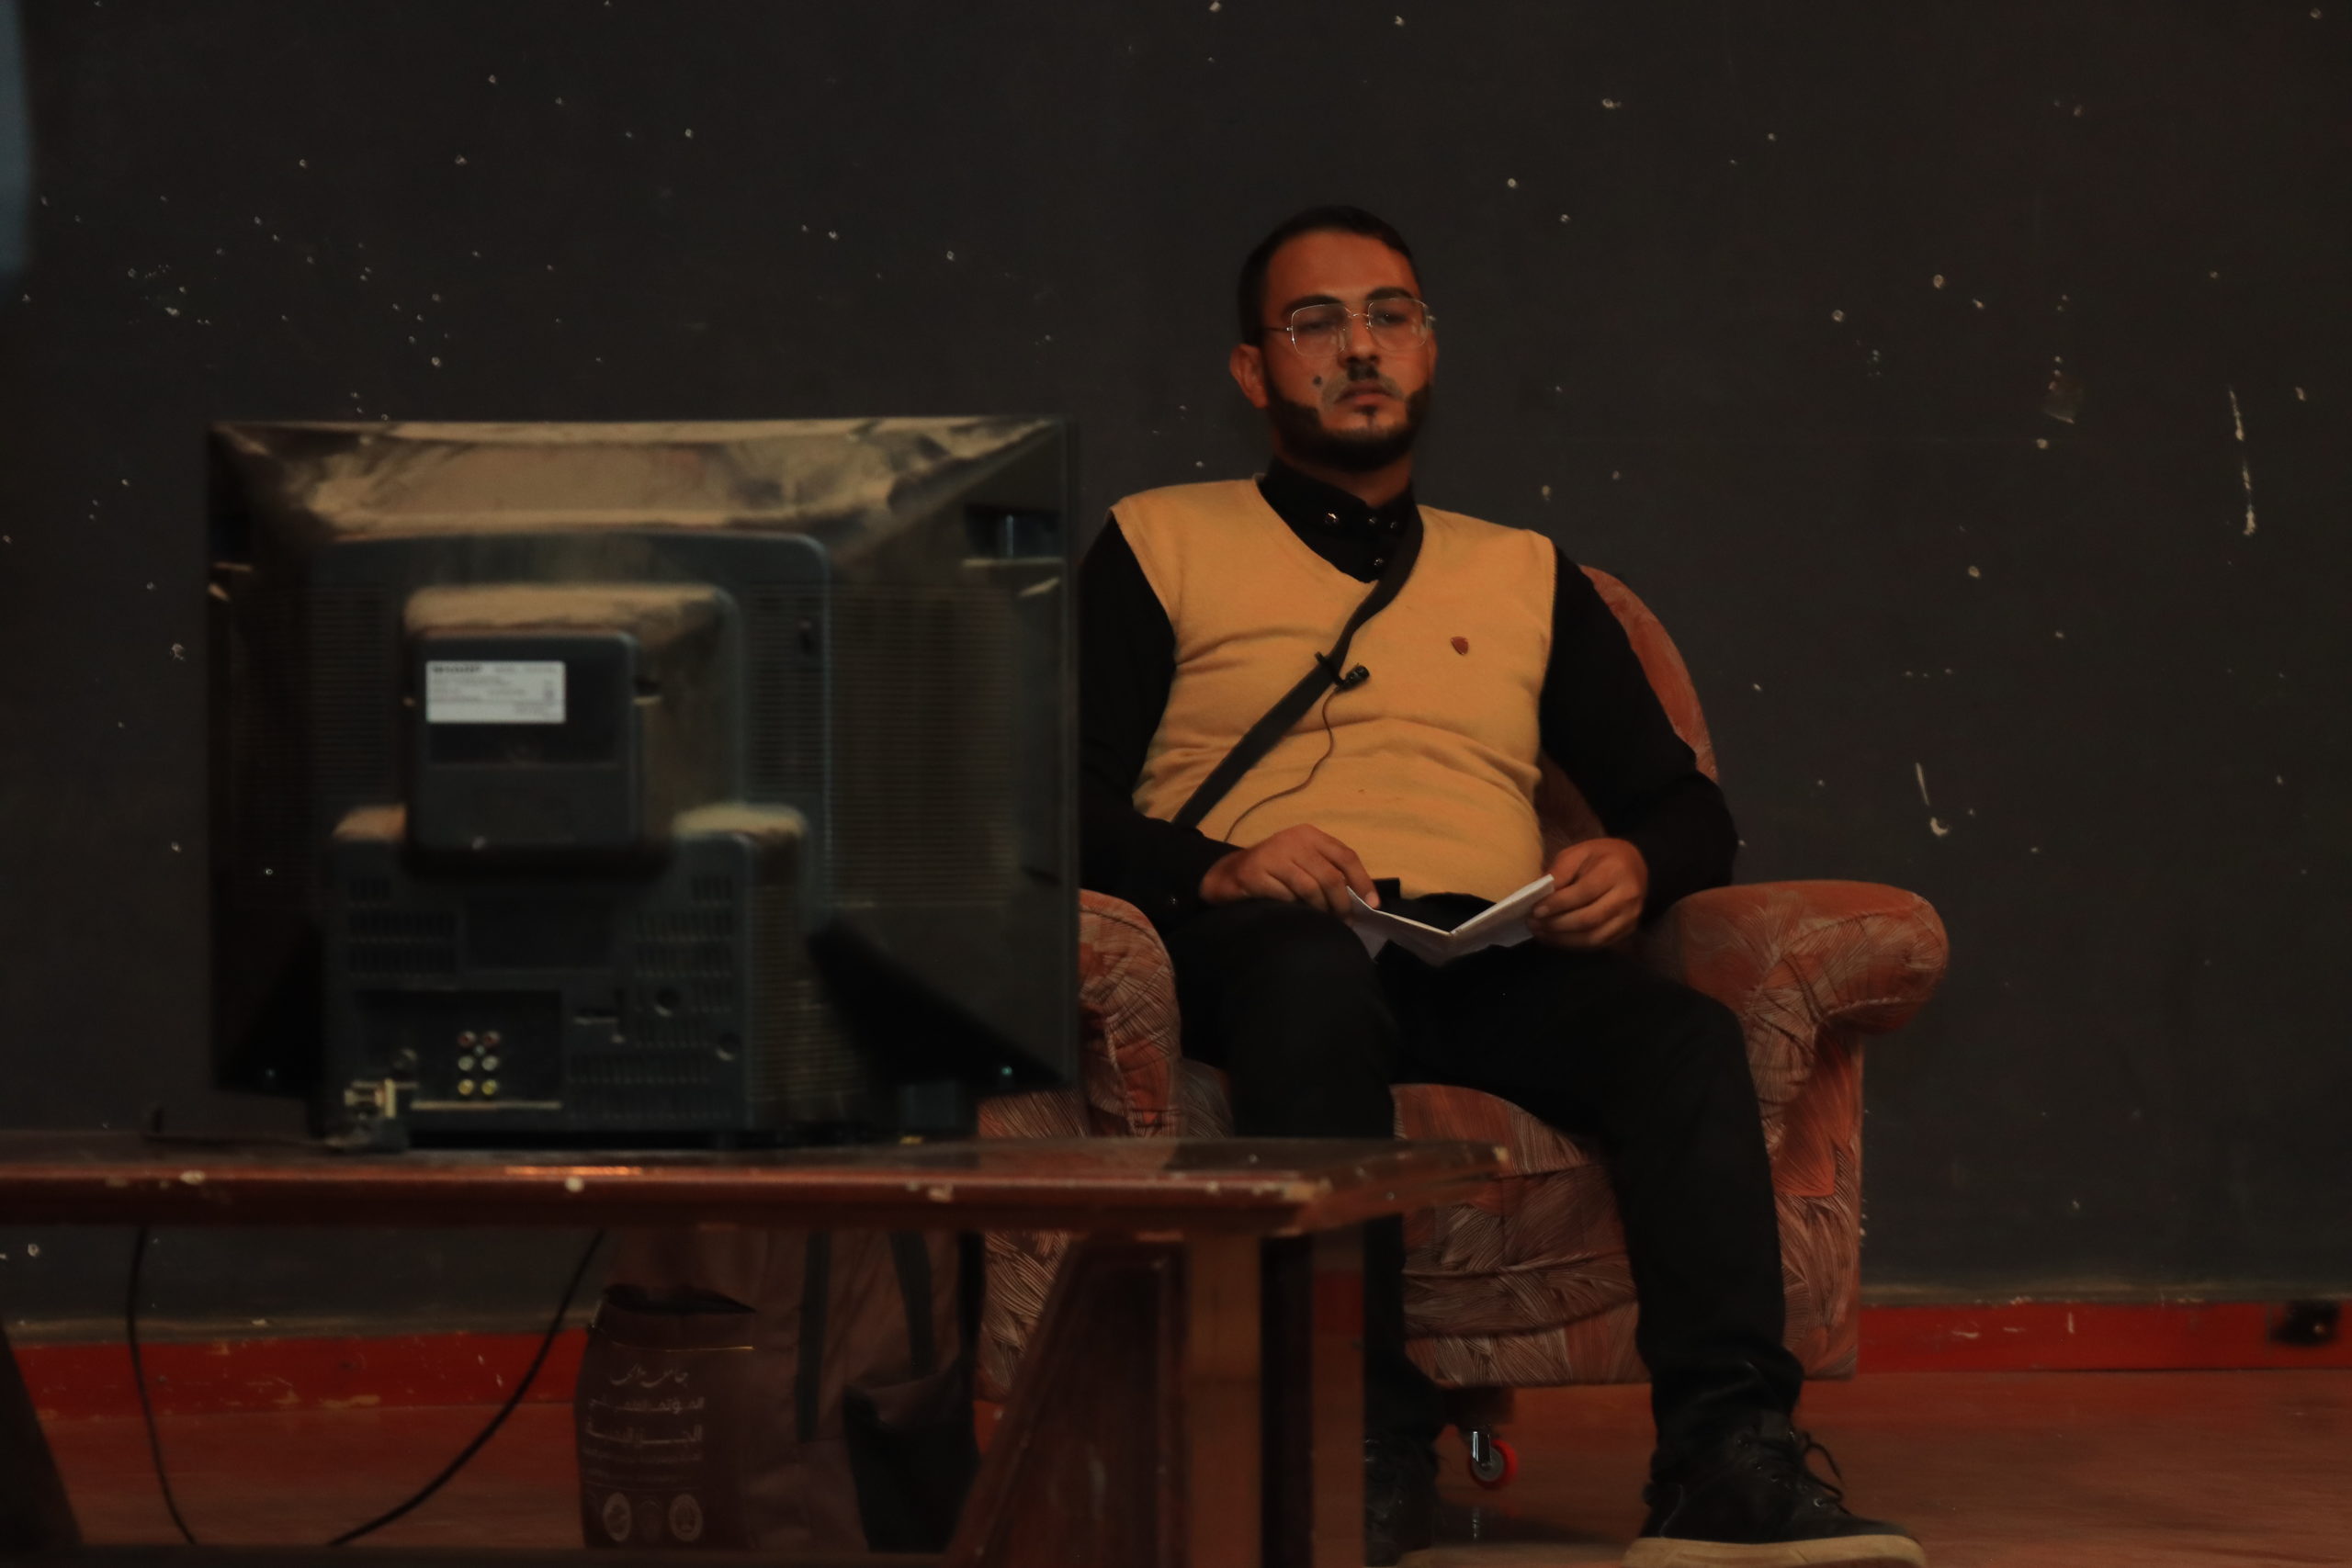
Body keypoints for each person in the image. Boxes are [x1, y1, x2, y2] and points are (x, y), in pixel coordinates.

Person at [1077, 206, 1925, 1568]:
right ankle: (1358, 1442)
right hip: (1265, 948)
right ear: (1253, 370)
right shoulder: (1156, 540)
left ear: (1429, 349)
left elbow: (1686, 810)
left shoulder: (1525, 571)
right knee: (1309, 982)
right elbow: (1053, 804)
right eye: (1315, 322)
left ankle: (1725, 1458)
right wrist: (1219, 865)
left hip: (1476, 952)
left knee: (1680, 1040)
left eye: (1391, 316)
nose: (1360, 347)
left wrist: (1634, 865)